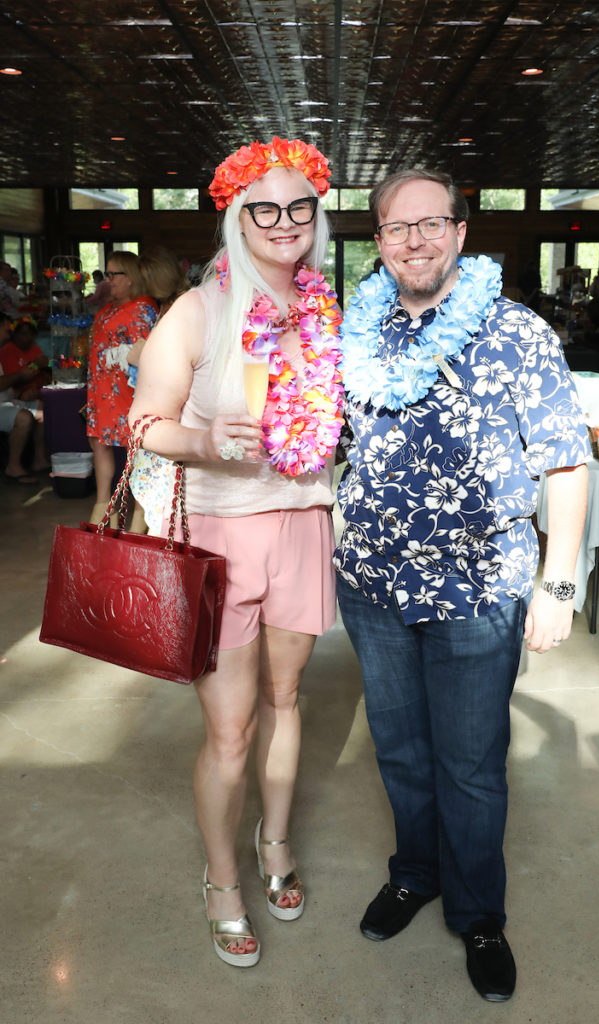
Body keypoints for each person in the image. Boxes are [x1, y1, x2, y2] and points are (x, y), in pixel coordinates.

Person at [335, 168, 591, 1002]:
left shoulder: (516, 332)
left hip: (477, 590)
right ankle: (415, 873)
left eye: (430, 223)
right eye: (395, 227)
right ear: (378, 241)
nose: (413, 240)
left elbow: (565, 461)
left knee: (471, 766)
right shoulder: (357, 332)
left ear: (459, 231)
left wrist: (557, 586)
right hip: (372, 582)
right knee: (399, 750)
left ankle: (478, 914)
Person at [128, 136, 343, 967]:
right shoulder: (198, 310)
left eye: (299, 207)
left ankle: (274, 841)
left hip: (303, 524)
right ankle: (221, 880)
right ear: (237, 219)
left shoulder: (324, 311)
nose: (284, 223)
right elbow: (143, 425)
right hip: (217, 537)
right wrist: (204, 439)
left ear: (316, 215)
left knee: (287, 700)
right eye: (264, 209)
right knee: (229, 730)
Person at [86, 250, 157, 528]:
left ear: (131, 278)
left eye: (114, 274)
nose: (109, 280)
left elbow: (147, 352)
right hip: (101, 389)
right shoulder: (106, 310)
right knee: (100, 444)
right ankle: (104, 507)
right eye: (107, 274)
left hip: (128, 390)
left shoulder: (143, 308)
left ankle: (140, 513)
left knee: (137, 449)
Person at [127, 247, 190, 533]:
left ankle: (151, 547)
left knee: (163, 498)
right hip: (155, 408)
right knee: (150, 494)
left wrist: (142, 357)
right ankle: (142, 544)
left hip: (171, 414)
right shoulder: (164, 306)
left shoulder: (183, 308)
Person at [0, 313, 50, 483]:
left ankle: (39, 459)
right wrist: (22, 375)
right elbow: (13, 378)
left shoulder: (34, 349)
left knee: (41, 409)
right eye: (6, 330)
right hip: (3, 403)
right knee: (24, 417)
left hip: (9, 399)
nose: (8, 335)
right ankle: (13, 466)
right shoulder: (7, 350)